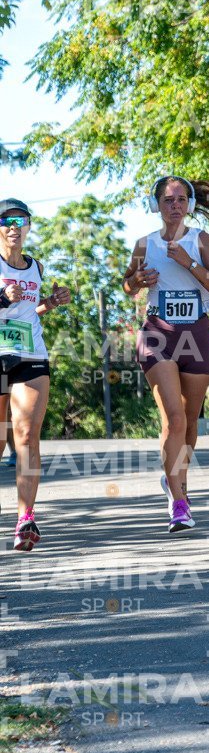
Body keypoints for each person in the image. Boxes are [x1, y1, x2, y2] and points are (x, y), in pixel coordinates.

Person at [123, 176, 209, 533]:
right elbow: (127, 285)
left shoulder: (200, 240)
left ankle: (175, 478)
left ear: (190, 204)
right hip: (159, 335)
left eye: (181, 199)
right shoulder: (144, 244)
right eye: (168, 200)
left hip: (197, 334)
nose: (175, 206)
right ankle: (178, 503)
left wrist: (188, 263)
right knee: (173, 420)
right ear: (157, 205)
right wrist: (138, 282)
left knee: (190, 421)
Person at [0, 198, 72, 550]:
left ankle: (25, 517)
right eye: (6, 220)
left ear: (28, 226)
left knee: (27, 434)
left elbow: (31, 308)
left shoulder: (35, 267)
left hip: (30, 355)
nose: (14, 226)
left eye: (20, 220)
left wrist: (52, 303)